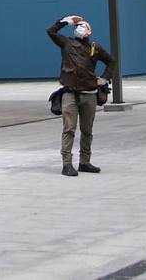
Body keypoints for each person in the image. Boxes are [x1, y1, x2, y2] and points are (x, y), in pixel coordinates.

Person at [46, 14, 116, 176]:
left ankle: (85, 162)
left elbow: (111, 61)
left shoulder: (94, 47)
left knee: (87, 130)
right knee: (69, 128)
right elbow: (51, 32)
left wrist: (104, 78)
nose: (80, 28)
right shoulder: (66, 43)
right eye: (78, 26)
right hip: (70, 92)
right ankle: (67, 164)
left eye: (83, 26)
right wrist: (66, 21)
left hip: (90, 93)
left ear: (89, 31)